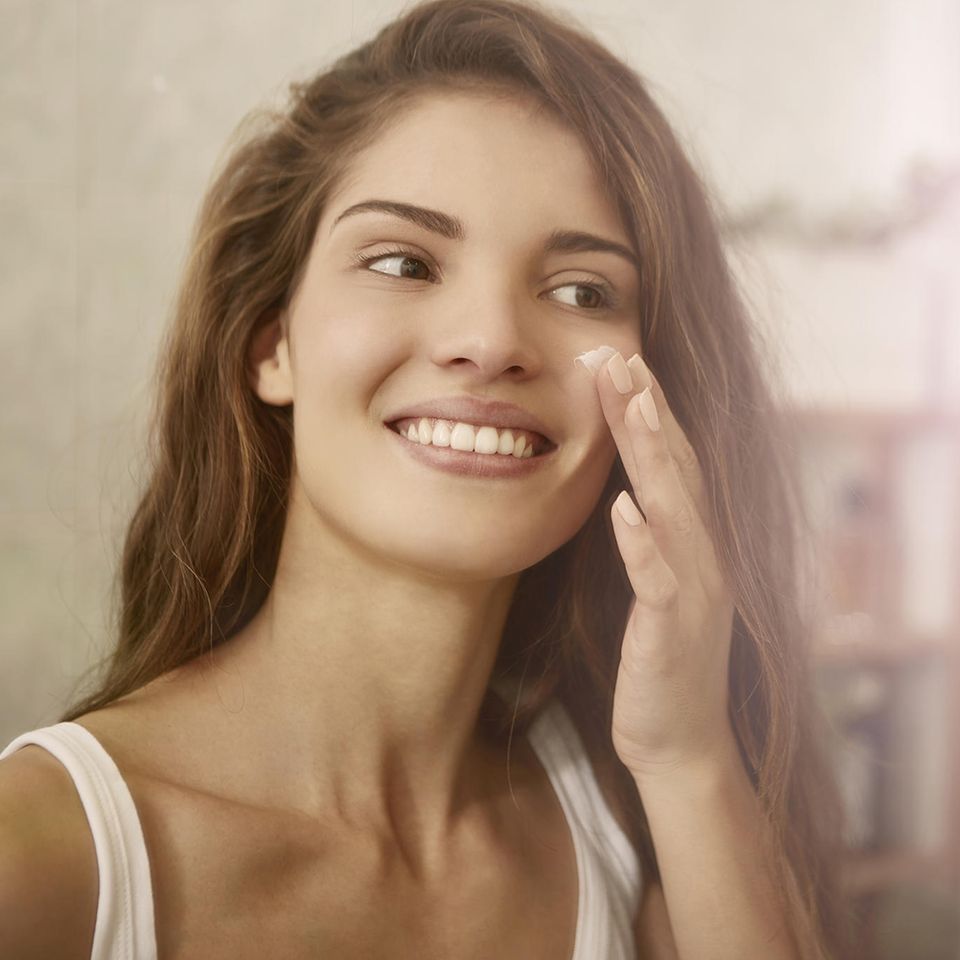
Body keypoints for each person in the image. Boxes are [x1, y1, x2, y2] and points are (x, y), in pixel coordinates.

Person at [0, 0, 850, 957]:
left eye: (582, 290)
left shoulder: (642, 824)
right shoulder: (39, 862)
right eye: (404, 263)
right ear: (271, 345)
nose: (490, 341)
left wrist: (690, 757)